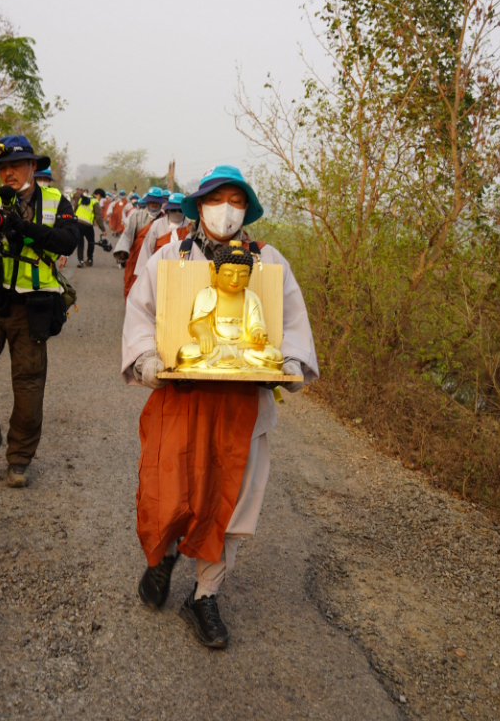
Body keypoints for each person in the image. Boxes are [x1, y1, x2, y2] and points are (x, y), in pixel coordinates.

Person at [122, 165, 318, 647]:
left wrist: (287, 362)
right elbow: (141, 314)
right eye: (216, 199)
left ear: (247, 209)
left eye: (235, 200)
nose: (225, 210)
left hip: (241, 407)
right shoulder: (171, 258)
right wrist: (146, 356)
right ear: (198, 205)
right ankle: (163, 556)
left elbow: (289, 323)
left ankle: (205, 595)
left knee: (230, 500)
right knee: (171, 486)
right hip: (182, 399)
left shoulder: (270, 264)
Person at [0, 135, 79, 488]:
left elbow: (67, 240)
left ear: (33, 167)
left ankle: (20, 457)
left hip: (32, 307)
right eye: (2, 168)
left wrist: (25, 230)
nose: (7, 173)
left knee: (28, 384)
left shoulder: (56, 201)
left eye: (15, 166)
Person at [114, 186, 165, 298]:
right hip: (136, 260)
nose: (154, 204)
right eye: (152, 202)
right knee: (132, 287)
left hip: (156, 260)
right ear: (147, 202)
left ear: (160, 203)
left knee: (153, 290)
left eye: (156, 202)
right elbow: (127, 235)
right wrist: (123, 249)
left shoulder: (165, 219)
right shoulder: (137, 216)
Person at [133, 192, 188, 278]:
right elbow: (147, 250)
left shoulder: (190, 229)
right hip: (158, 273)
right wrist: (143, 275)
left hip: (183, 274)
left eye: (180, 210)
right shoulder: (156, 226)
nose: (177, 213)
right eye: (173, 210)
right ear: (168, 210)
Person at [75, 188, 107, 267]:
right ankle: (89, 259)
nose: (100, 200)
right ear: (98, 195)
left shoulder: (82, 198)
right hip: (87, 225)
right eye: (101, 198)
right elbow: (98, 217)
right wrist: (103, 229)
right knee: (91, 242)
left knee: (80, 242)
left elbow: (75, 208)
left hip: (77, 223)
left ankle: (81, 261)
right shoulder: (95, 202)